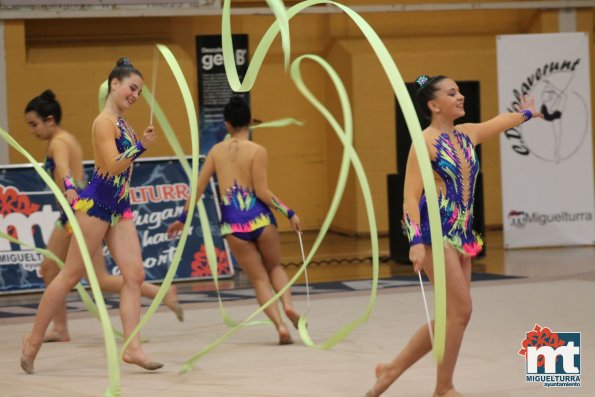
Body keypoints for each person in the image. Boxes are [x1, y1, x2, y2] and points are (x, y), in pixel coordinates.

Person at [365, 75, 543, 397]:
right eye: (452, 93)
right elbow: (409, 196)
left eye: (459, 91)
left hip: (462, 232)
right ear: (434, 105)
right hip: (436, 231)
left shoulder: (465, 134)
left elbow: (498, 123)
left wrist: (527, 115)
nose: (460, 96)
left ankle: (392, 370)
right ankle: (443, 387)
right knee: (461, 311)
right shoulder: (424, 142)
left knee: (452, 316)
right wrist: (416, 241)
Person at [21, 59, 164, 374]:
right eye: (131, 87)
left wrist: (138, 142)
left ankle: (133, 348)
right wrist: (141, 146)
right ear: (114, 84)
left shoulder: (123, 123)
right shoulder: (103, 122)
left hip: (119, 206)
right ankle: (33, 340)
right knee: (69, 276)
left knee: (134, 275)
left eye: (139, 91)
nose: (135, 95)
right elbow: (113, 165)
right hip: (97, 204)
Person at [167, 96, 301, 345]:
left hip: (233, 223)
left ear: (227, 124)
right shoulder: (257, 151)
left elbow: (199, 187)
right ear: (250, 121)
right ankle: (288, 304)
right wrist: (289, 212)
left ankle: (281, 326)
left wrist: (182, 218)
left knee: (259, 279)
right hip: (259, 217)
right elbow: (262, 192)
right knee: (275, 267)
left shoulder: (216, 152)